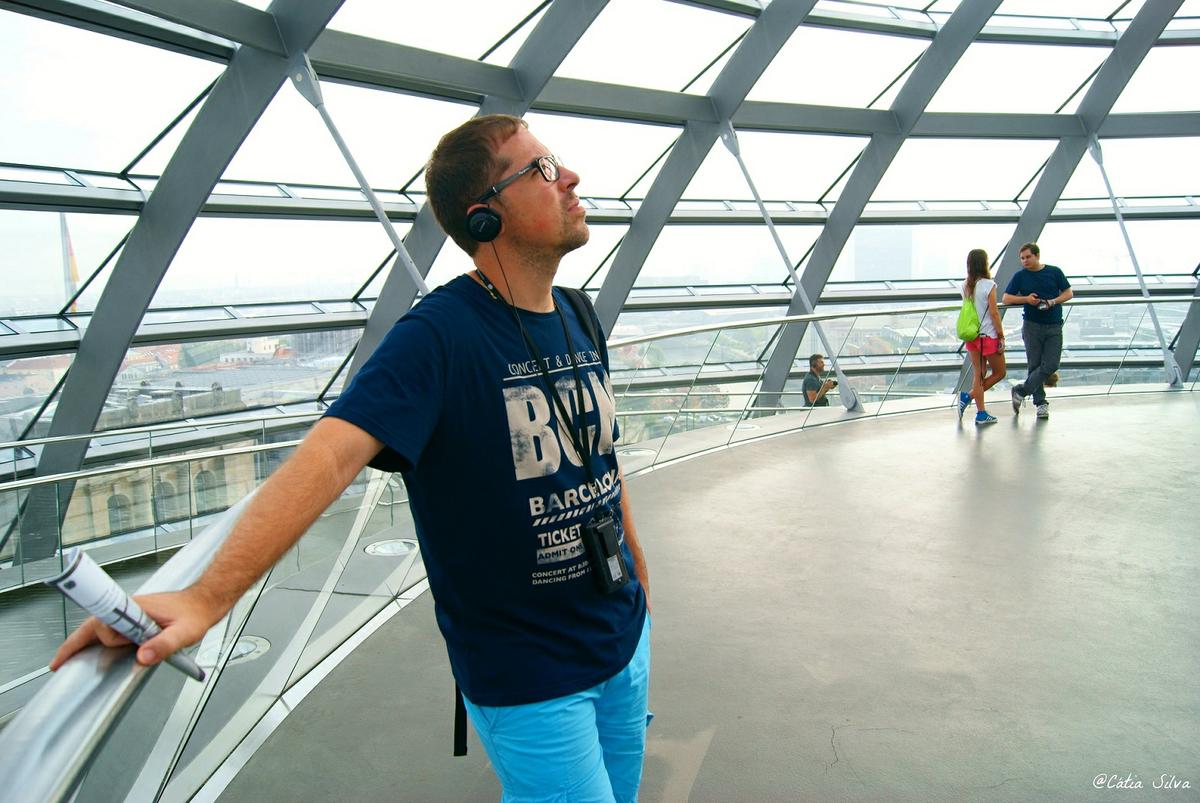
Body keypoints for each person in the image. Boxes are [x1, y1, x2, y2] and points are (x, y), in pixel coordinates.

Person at [51, 115, 652, 802]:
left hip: (623, 639)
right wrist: (206, 594)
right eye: (543, 169)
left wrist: (639, 575)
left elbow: (598, 460)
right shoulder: (438, 336)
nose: (569, 177)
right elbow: (331, 453)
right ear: (485, 216)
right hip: (533, 678)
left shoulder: (579, 315)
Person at [1002, 242, 1072, 420]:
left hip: (1054, 324)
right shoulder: (1020, 276)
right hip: (1032, 325)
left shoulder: (1054, 272)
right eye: (1022, 258)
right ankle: (1041, 404)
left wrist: (1053, 302)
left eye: (1028, 257)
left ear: (1037, 256)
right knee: (1034, 365)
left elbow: (1068, 292)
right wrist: (1026, 299)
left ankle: (1021, 390)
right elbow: (1006, 298)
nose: (1024, 261)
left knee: (1051, 364)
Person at [956, 248, 1007, 426]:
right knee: (1000, 372)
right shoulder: (988, 285)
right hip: (988, 336)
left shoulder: (965, 285)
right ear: (984, 263)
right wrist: (1001, 335)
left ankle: (981, 412)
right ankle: (969, 397)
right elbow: (994, 313)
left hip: (972, 336)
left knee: (979, 373)